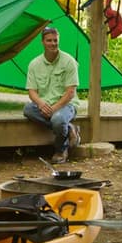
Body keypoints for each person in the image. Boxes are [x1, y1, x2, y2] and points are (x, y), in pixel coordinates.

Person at [23, 26, 81, 163]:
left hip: (66, 105)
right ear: (43, 42)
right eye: (49, 40)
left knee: (58, 119)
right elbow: (32, 91)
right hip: (45, 104)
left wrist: (54, 109)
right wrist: (41, 104)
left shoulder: (69, 61)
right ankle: (70, 128)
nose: (53, 43)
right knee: (28, 109)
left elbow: (70, 92)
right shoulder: (34, 64)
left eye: (55, 40)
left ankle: (61, 150)